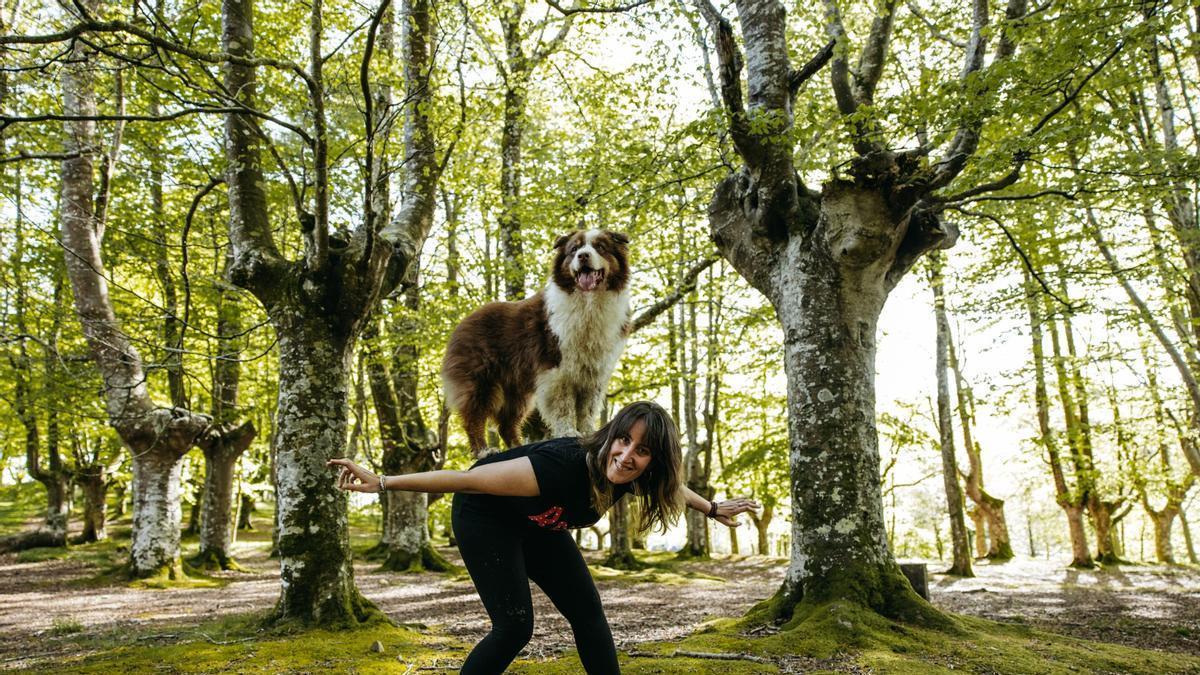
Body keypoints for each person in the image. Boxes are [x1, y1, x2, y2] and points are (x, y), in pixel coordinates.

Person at [328, 400, 759, 675]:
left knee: (588, 613)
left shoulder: (633, 476)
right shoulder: (559, 465)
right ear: (611, 436)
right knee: (515, 627)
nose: (627, 456)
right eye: (623, 441)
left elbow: (673, 487)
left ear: (653, 460)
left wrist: (714, 508)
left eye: (641, 450)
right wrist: (382, 482)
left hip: (539, 523)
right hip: (486, 517)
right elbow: (465, 479)